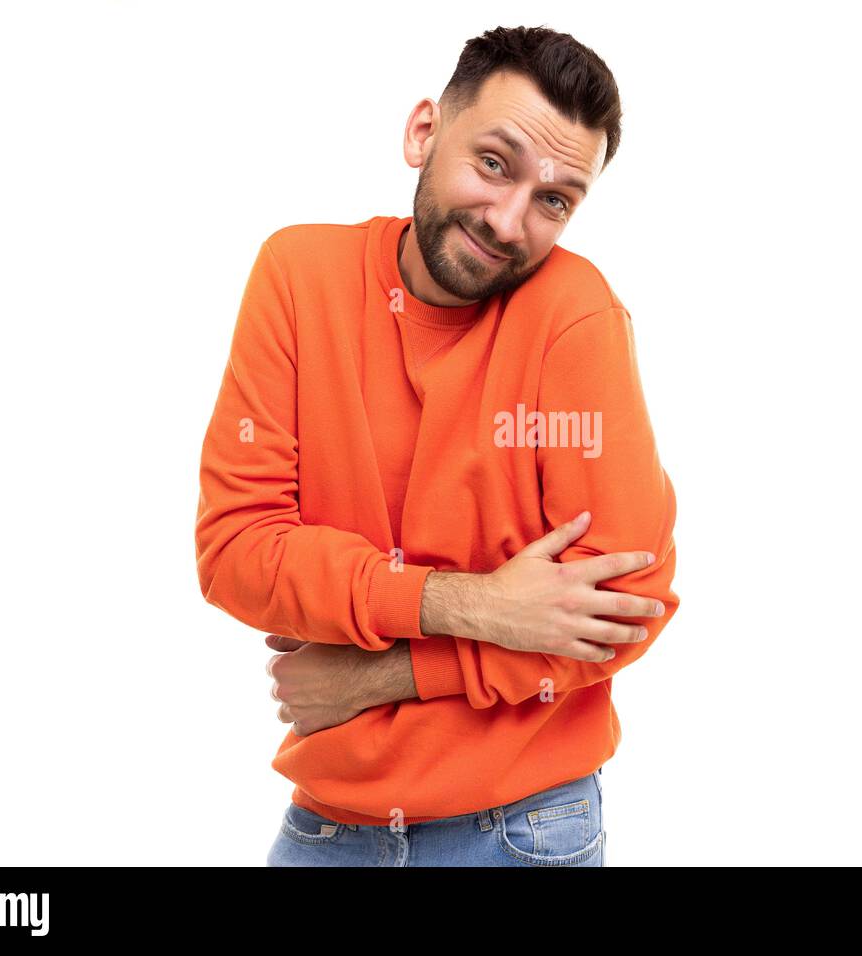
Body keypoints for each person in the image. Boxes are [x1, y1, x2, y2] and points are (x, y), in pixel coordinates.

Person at [194, 25, 679, 867]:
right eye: (495, 163)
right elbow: (237, 554)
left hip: (527, 828)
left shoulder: (575, 317)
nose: (508, 220)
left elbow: (628, 602)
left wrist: (381, 673)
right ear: (425, 130)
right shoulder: (299, 276)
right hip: (330, 820)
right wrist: (476, 604)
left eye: (555, 200)